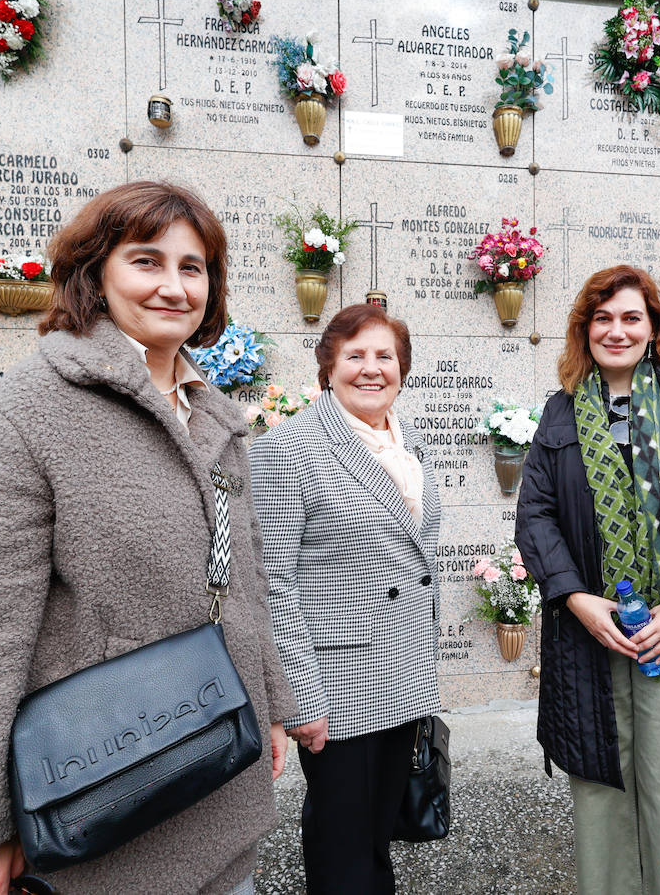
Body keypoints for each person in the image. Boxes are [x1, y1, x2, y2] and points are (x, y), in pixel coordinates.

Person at [0, 180, 296, 895]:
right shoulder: (29, 412)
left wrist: (270, 704)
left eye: (193, 267)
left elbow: (242, 581)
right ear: (95, 273)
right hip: (108, 807)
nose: (174, 287)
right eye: (146, 262)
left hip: (220, 783)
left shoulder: (216, 418)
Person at [514, 265, 660, 895]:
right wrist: (574, 596)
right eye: (603, 318)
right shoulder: (561, 413)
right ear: (585, 328)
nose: (616, 331)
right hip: (591, 634)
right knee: (601, 785)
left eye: (630, 318)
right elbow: (534, 513)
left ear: (653, 329)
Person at [248, 303, 441, 895]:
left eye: (385, 356)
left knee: (376, 835)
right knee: (343, 847)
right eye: (354, 355)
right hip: (339, 684)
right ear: (327, 367)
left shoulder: (403, 447)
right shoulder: (288, 450)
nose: (371, 369)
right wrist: (300, 699)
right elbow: (273, 584)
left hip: (401, 675)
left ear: (402, 369)